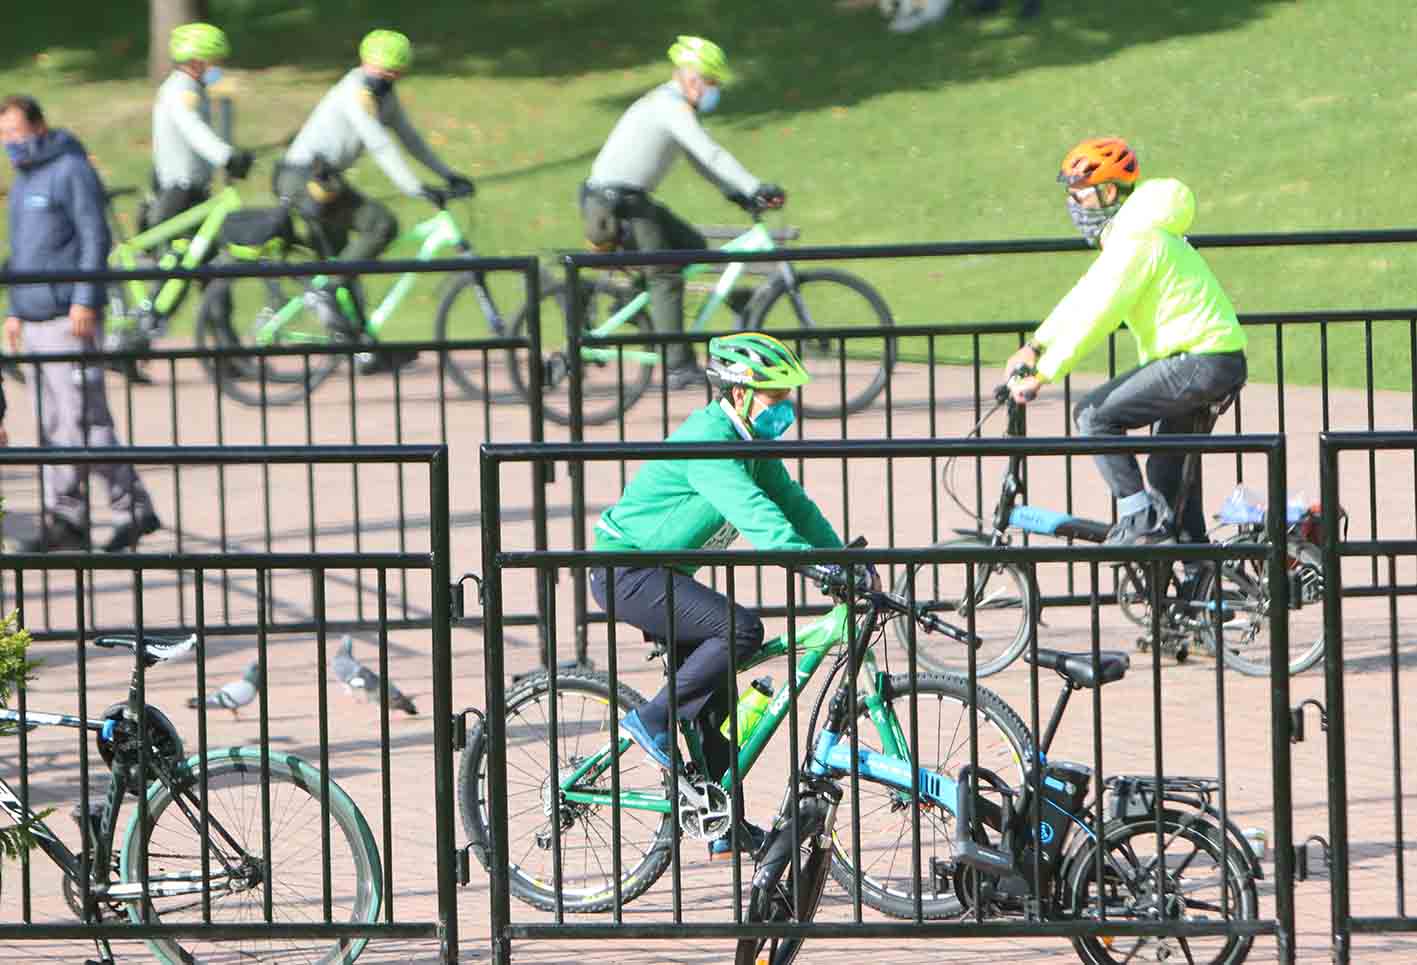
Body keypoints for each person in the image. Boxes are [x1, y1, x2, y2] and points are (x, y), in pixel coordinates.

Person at [591, 332, 873, 858]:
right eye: (776, 396)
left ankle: (723, 825)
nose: (786, 407)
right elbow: (757, 516)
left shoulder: (748, 442)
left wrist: (843, 560)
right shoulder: (711, 441)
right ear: (740, 393)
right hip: (626, 570)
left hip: (664, 572)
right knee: (740, 629)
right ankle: (651, 718)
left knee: (715, 713)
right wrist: (815, 569)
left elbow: (791, 503)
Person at [1003, 137, 1247, 546]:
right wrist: (1036, 345)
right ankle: (1198, 586)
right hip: (1210, 359)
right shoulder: (1136, 236)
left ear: (1109, 192)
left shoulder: (1138, 241)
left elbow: (1100, 311)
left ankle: (1139, 522)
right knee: (1167, 477)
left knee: (1094, 417)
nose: (1074, 204)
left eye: (1080, 194)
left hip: (1200, 361)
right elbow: (1085, 295)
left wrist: (1043, 373)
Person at [1, 95, 162, 552]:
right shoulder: (25, 177)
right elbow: (25, 252)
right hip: (34, 315)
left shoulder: (70, 170)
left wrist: (86, 298)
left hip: (66, 315)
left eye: (15, 131)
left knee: (80, 420)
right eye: (3, 135)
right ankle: (85, 512)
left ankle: (97, 510)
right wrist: (14, 307)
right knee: (55, 420)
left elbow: (95, 237)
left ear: (39, 125)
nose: (9, 143)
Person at [581, 36, 785, 389]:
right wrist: (755, 187)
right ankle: (677, 365)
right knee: (665, 274)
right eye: (713, 83)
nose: (715, 91)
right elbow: (710, 154)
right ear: (693, 79)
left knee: (692, 244)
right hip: (614, 205)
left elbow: (699, 161)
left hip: (629, 200)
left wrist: (735, 194)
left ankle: (631, 304)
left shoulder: (672, 107)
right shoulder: (670, 107)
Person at [276, 29, 473, 374]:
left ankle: (362, 348)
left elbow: (411, 140)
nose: (388, 78)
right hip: (303, 178)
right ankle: (326, 296)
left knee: (346, 262)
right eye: (383, 71)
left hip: (325, 179)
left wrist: (448, 174)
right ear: (365, 62)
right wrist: (415, 188)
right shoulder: (354, 92)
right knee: (380, 224)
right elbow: (379, 143)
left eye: (395, 73)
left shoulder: (385, 96)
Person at [150, 23, 252, 230]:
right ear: (197, 63)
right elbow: (194, 130)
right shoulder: (179, 91)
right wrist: (227, 157)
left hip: (194, 188)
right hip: (180, 192)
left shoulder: (193, 88)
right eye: (215, 62)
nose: (218, 68)